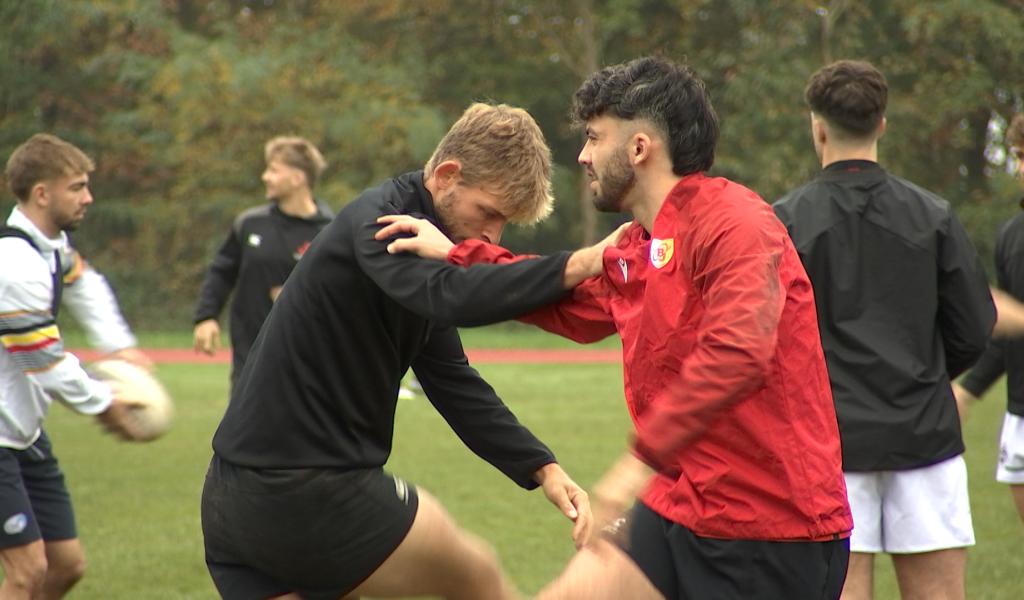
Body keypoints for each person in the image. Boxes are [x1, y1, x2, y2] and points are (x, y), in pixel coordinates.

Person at [378, 56, 853, 599]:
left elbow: (738, 352)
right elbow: (567, 303)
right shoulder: (635, 245)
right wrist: (459, 254)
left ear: (639, 148)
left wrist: (635, 464)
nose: (582, 155)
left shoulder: (736, 223)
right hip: (678, 504)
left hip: (768, 527)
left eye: (594, 137)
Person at [201, 103, 608, 600]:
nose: (491, 237)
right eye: (489, 213)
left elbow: (452, 380)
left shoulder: (421, 258)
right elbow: (456, 295)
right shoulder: (386, 224)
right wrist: (580, 264)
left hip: (234, 497)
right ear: (447, 175)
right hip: (305, 489)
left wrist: (542, 467)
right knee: (477, 575)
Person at [773, 60, 996, 600]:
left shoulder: (785, 221)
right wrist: (925, 375)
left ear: (817, 127)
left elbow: (766, 336)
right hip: (924, 437)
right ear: (882, 125)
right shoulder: (934, 215)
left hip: (828, 448)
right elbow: (975, 325)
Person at [0, 133, 150, 598]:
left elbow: (87, 287)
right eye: (77, 187)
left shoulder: (50, 249)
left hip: (22, 432)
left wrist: (120, 348)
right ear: (42, 193)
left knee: (66, 565)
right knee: (26, 571)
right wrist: (105, 403)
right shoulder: (13, 264)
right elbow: (46, 362)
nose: (89, 198)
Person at [192, 136, 333, 388]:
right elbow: (222, 272)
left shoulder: (330, 232)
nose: (265, 176)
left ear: (297, 178)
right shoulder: (250, 224)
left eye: (274, 170)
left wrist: (294, 297)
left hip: (307, 365)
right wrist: (206, 316)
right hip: (250, 360)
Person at [954, 112, 1024, 523]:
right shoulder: (1012, 235)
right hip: (1020, 412)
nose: (1021, 168)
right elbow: (1008, 331)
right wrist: (969, 391)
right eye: (1019, 155)